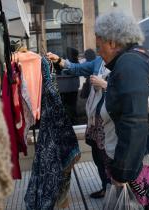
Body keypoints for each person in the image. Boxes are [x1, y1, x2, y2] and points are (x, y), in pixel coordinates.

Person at [94, 11, 149, 210]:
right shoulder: (135, 58)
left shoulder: (129, 63)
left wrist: (122, 171)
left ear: (112, 42)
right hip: (142, 159)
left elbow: (134, 121)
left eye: (99, 44)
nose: (98, 51)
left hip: (143, 161)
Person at [47, 49, 111, 198]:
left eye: (101, 39)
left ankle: (116, 190)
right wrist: (58, 60)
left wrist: (104, 84)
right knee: (98, 155)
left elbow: (126, 91)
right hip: (95, 118)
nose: (98, 44)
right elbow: (77, 68)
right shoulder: (99, 61)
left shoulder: (123, 62)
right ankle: (106, 187)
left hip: (111, 121)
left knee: (110, 157)